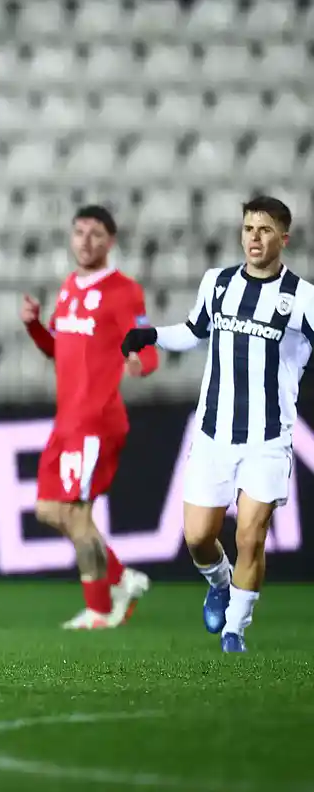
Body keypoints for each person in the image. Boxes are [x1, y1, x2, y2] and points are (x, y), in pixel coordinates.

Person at [122, 196, 310, 653]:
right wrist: (152, 335)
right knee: (198, 537)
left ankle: (235, 631)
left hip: (268, 437)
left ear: (283, 239)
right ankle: (220, 583)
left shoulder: (303, 298)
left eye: (265, 230)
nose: (254, 238)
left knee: (251, 535)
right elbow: (194, 331)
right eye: (248, 229)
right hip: (213, 434)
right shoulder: (218, 282)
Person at [21, 205, 158, 629]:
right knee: (48, 509)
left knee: (77, 514)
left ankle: (98, 609)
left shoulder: (123, 290)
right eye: (79, 232)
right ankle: (122, 577)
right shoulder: (69, 287)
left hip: (96, 419)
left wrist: (139, 363)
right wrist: (35, 326)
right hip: (67, 420)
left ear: (110, 241)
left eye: (95, 233)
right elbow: (58, 347)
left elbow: (147, 349)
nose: (85, 240)